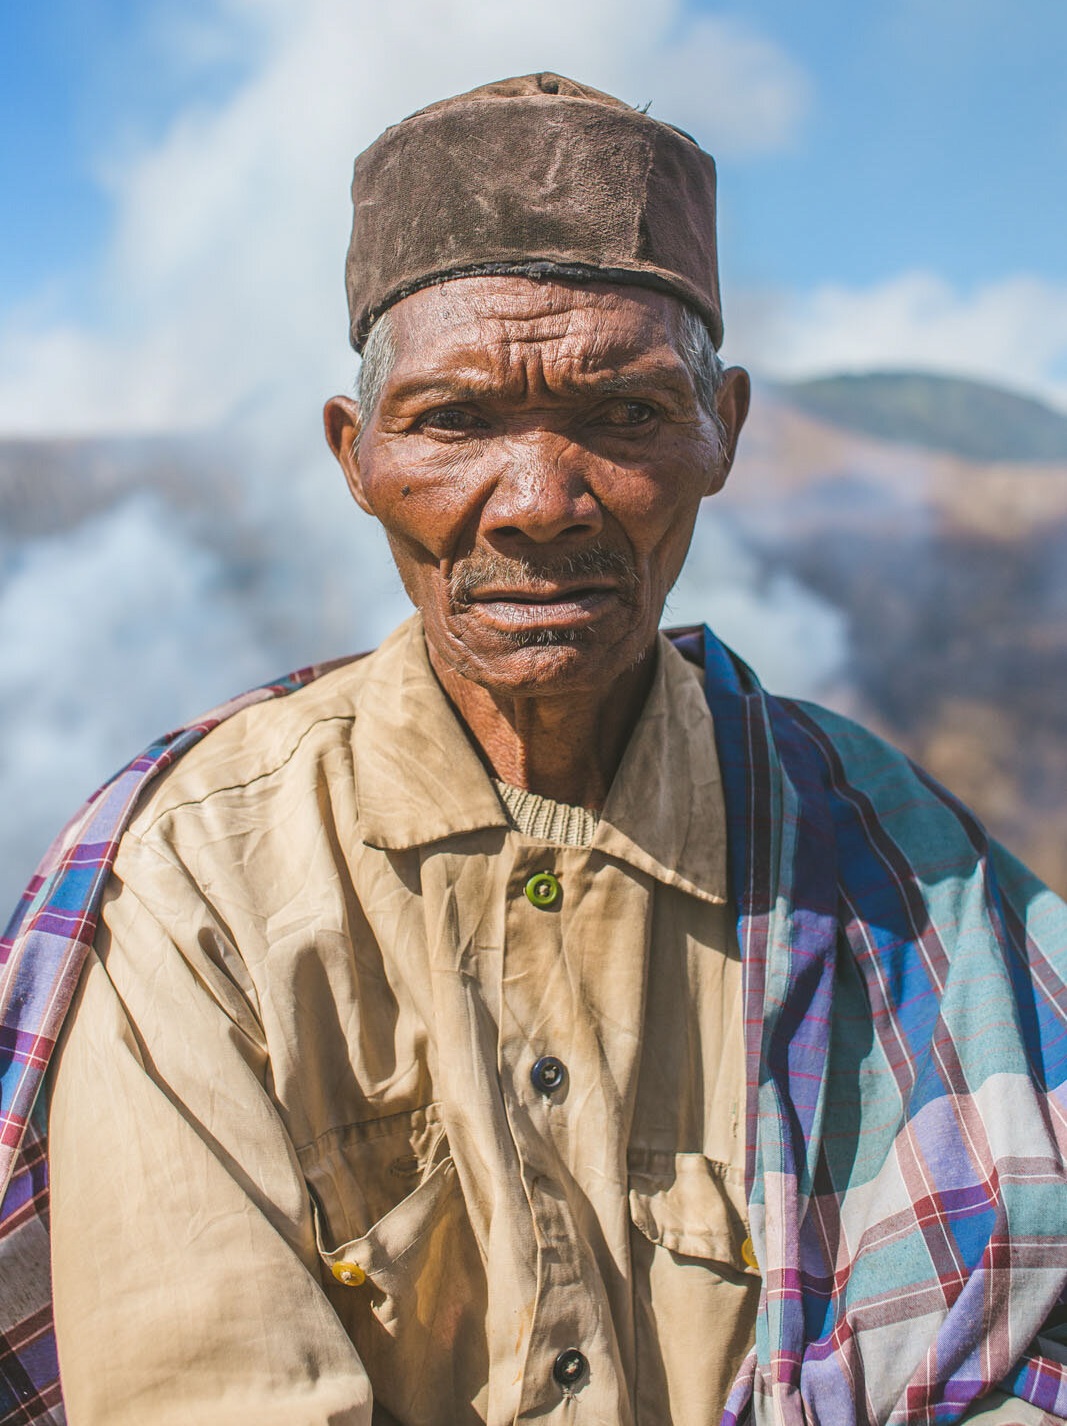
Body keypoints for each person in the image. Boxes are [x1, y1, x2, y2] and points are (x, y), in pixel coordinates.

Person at [2, 72, 1066, 1426]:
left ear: (720, 431)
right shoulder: (200, 879)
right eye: (454, 422)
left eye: (623, 415)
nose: (539, 505)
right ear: (357, 456)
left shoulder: (892, 859)